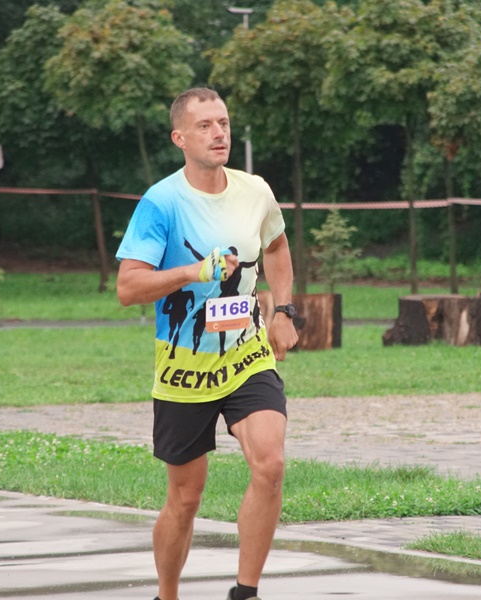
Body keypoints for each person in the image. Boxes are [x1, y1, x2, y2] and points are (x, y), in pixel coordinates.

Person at [115, 87, 300, 600]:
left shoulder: (255, 191)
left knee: (270, 465)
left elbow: (277, 246)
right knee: (185, 498)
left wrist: (283, 310)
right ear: (180, 138)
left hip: (247, 356)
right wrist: (193, 272)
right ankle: (167, 594)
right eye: (205, 126)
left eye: (223, 123)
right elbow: (128, 288)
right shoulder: (161, 202)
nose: (219, 133)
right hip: (184, 368)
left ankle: (246, 592)